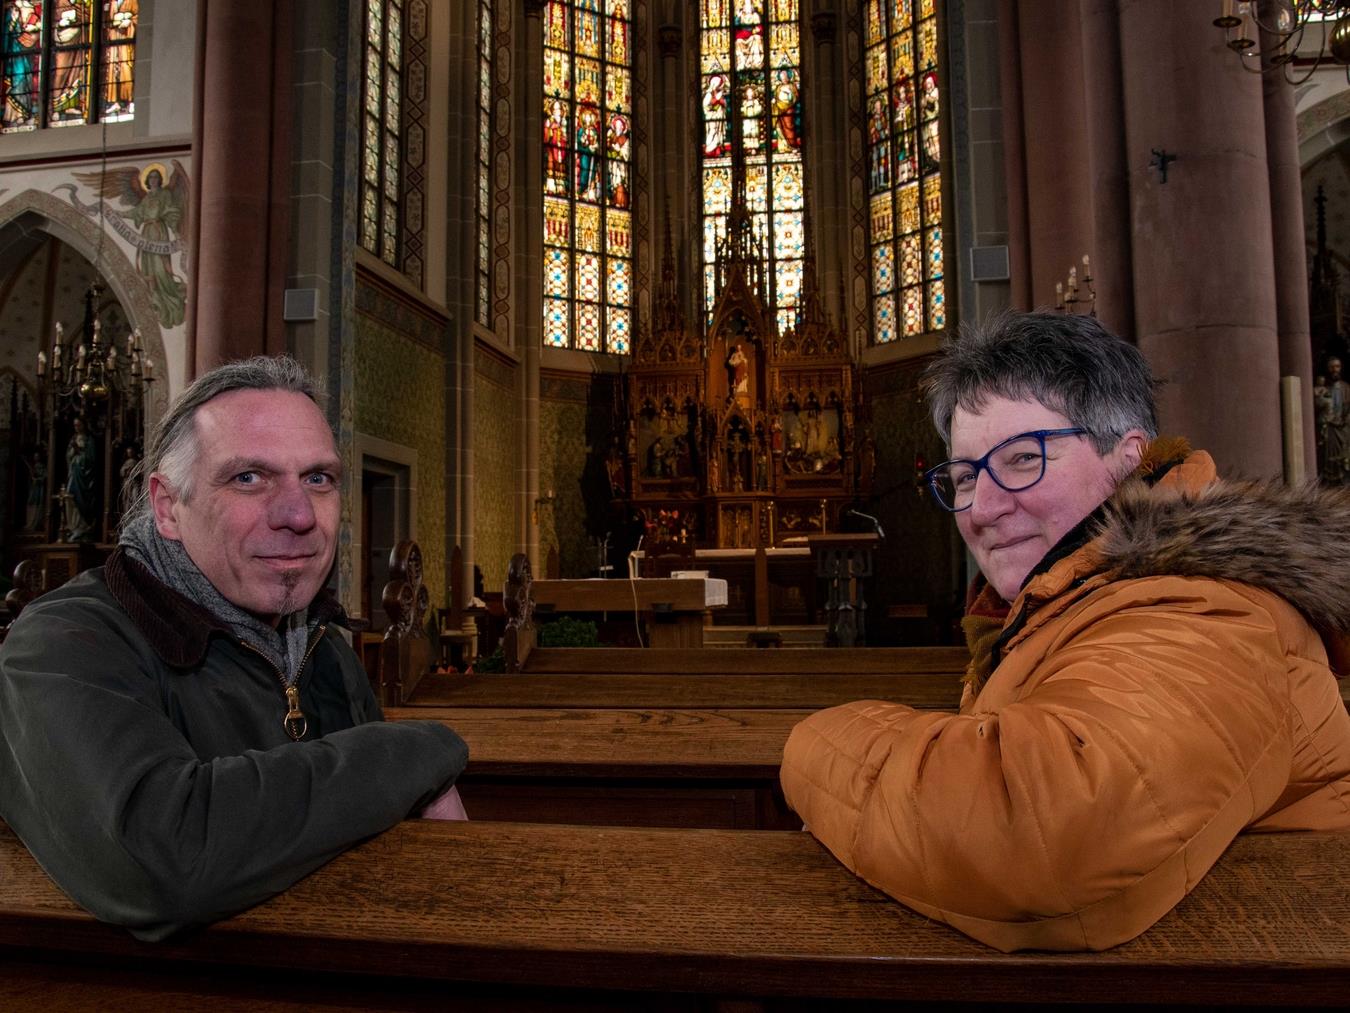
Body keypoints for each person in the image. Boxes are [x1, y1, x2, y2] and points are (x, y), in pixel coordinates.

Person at [780, 311, 1350, 953]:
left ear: (1129, 455)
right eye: (965, 478)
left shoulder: (1203, 607)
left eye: (1023, 459)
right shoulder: (1067, 601)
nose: (985, 509)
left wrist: (810, 746)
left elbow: (1035, 836)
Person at [0, 356, 468, 942]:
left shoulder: (322, 645)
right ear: (168, 507)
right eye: (248, 477)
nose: (299, 515)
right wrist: (422, 751)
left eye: (318, 479)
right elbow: (166, 859)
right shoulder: (66, 644)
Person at [1316, 355, 1350, 485]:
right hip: (1330, 427)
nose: (1335, 369)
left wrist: (1343, 420)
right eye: (1332, 367)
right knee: (1328, 454)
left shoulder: (1346, 387)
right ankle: (1331, 483)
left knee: (1344, 455)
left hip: (1343, 427)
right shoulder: (1324, 388)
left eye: (1337, 366)